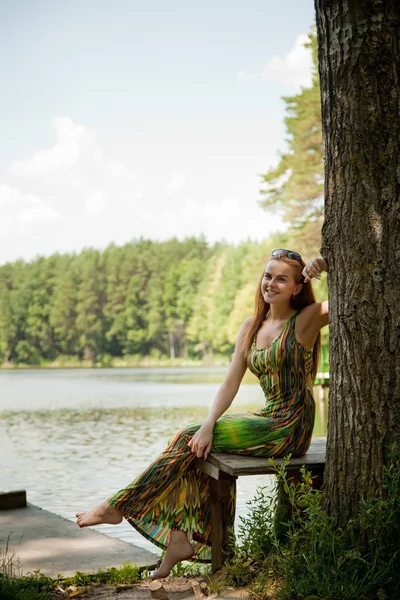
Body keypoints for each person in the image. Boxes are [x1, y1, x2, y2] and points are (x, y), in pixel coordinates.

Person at [76, 249, 329, 578]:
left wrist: (326, 264)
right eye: (268, 275)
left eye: (282, 278)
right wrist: (209, 424)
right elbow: (230, 383)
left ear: (297, 287)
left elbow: (348, 299)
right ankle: (179, 542)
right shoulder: (251, 326)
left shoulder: (305, 319)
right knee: (196, 444)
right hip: (266, 418)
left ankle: (117, 506)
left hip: (290, 426)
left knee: (185, 437)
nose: (271, 283)